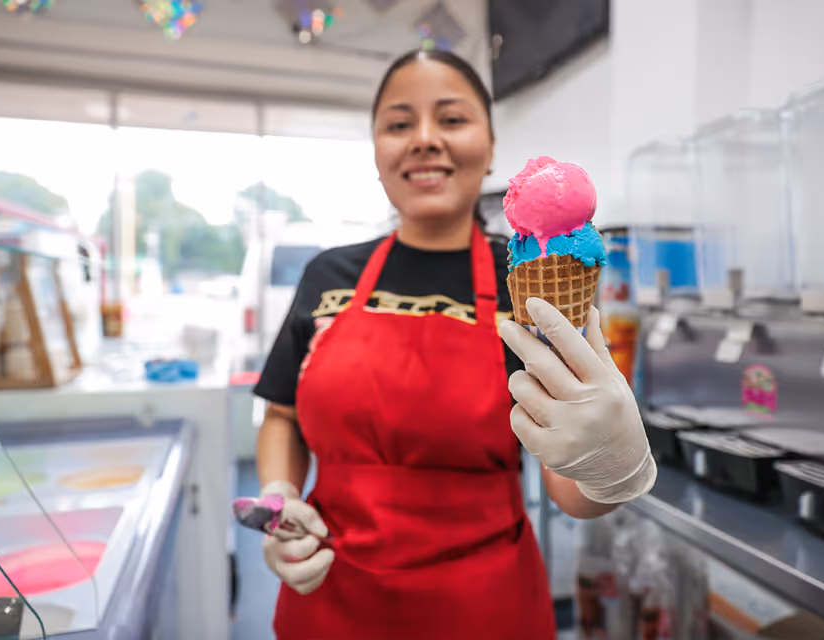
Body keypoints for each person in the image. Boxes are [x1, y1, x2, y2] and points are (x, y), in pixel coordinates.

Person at [253, 48, 656, 639]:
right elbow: (281, 415)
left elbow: (567, 489)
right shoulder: (327, 276)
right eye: (398, 124)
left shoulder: (524, 281)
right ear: (376, 152)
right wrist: (278, 498)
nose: (423, 139)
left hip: (485, 607)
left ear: (491, 147)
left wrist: (610, 471)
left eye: (451, 118)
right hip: (331, 594)